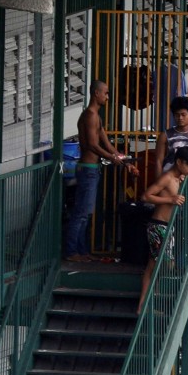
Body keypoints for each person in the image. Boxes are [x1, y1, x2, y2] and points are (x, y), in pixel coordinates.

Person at [64, 80, 140, 263]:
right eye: (105, 93)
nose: (107, 96)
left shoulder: (96, 116)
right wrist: (112, 157)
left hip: (92, 169)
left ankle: (81, 252)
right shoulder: (89, 115)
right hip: (87, 169)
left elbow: (107, 144)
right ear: (96, 93)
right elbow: (92, 144)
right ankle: (71, 252)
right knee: (81, 214)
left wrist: (124, 161)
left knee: (85, 214)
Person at [137, 147, 188, 315]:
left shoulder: (180, 177)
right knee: (164, 265)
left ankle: (144, 305)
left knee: (153, 265)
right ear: (179, 162)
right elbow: (146, 196)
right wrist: (170, 199)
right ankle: (147, 303)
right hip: (158, 225)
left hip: (166, 227)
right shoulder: (167, 178)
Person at [154, 96, 188, 181]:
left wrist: (184, 174)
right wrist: (159, 182)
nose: (180, 118)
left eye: (183, 115)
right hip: (168, 178)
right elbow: (159, 161)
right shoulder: (165, 135)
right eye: (177, 115)